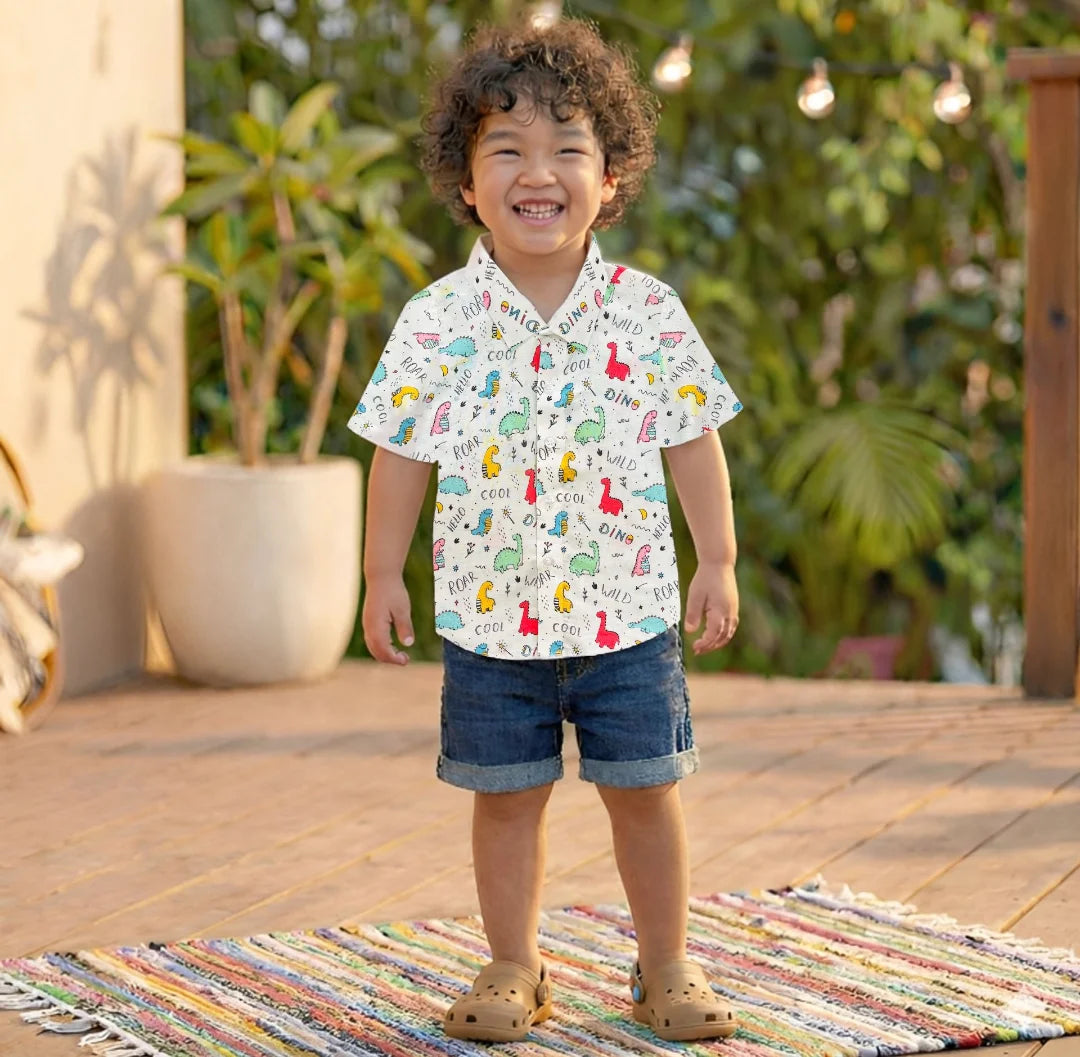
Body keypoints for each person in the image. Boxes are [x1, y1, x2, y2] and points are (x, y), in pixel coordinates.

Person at [348, 16, 742, 1045]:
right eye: (507, 148)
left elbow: (693, 439)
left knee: (647, 796)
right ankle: (514, 964)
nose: (540, 170)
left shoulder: (647, 312)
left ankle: (665, 965)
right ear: (467, 181)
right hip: (490, 625)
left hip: (632, 621)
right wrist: (381, 572)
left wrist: (720, 558)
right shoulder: (436, 321)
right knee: (506, 801)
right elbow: (401, 451)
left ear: (609, 176)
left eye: (568, 147)